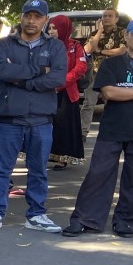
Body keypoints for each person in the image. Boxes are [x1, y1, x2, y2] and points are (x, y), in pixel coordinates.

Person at [63, 19, 133, 238]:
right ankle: (84, 219)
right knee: (98, 174)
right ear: (126, 37)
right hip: (113, 127)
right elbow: (109, 94)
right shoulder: (112, 64)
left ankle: (126, 219)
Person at [0, 0, 67, 234]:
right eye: (28, 15)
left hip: (41, 118)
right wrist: (40, 71)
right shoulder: (3, 45)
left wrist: (21, 81)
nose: (32, 20)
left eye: (37, 16)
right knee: (2, 169)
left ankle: (36, 214)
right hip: (10, 117)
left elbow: (58, 78)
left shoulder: (56, 47)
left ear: (45, 20)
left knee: (38, 169)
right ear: (21, 17)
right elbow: (4, 71)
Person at [47, 15, 89, 170]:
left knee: (64, 125)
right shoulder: (45, 46)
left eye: (55, 28)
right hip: (47, 91)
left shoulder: (75, 46)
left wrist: (61, 82)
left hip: (66, 92)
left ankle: (62, 157)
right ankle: (46, 154)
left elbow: (80, 68)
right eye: (50, 28)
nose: (51, 31)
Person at [80, 8, 126, 139]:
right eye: (104, 16)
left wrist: (100, 52)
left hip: (114, 74)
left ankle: (113, 131)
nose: (106, 18)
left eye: (110, 16)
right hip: (95, 73)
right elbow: (87, 49)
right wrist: (99, 31)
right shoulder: (95, 33)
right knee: (88, 104)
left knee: (112, 103)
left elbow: (122, 51)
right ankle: (83, 133)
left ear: (116, 19)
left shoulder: (122, 32)